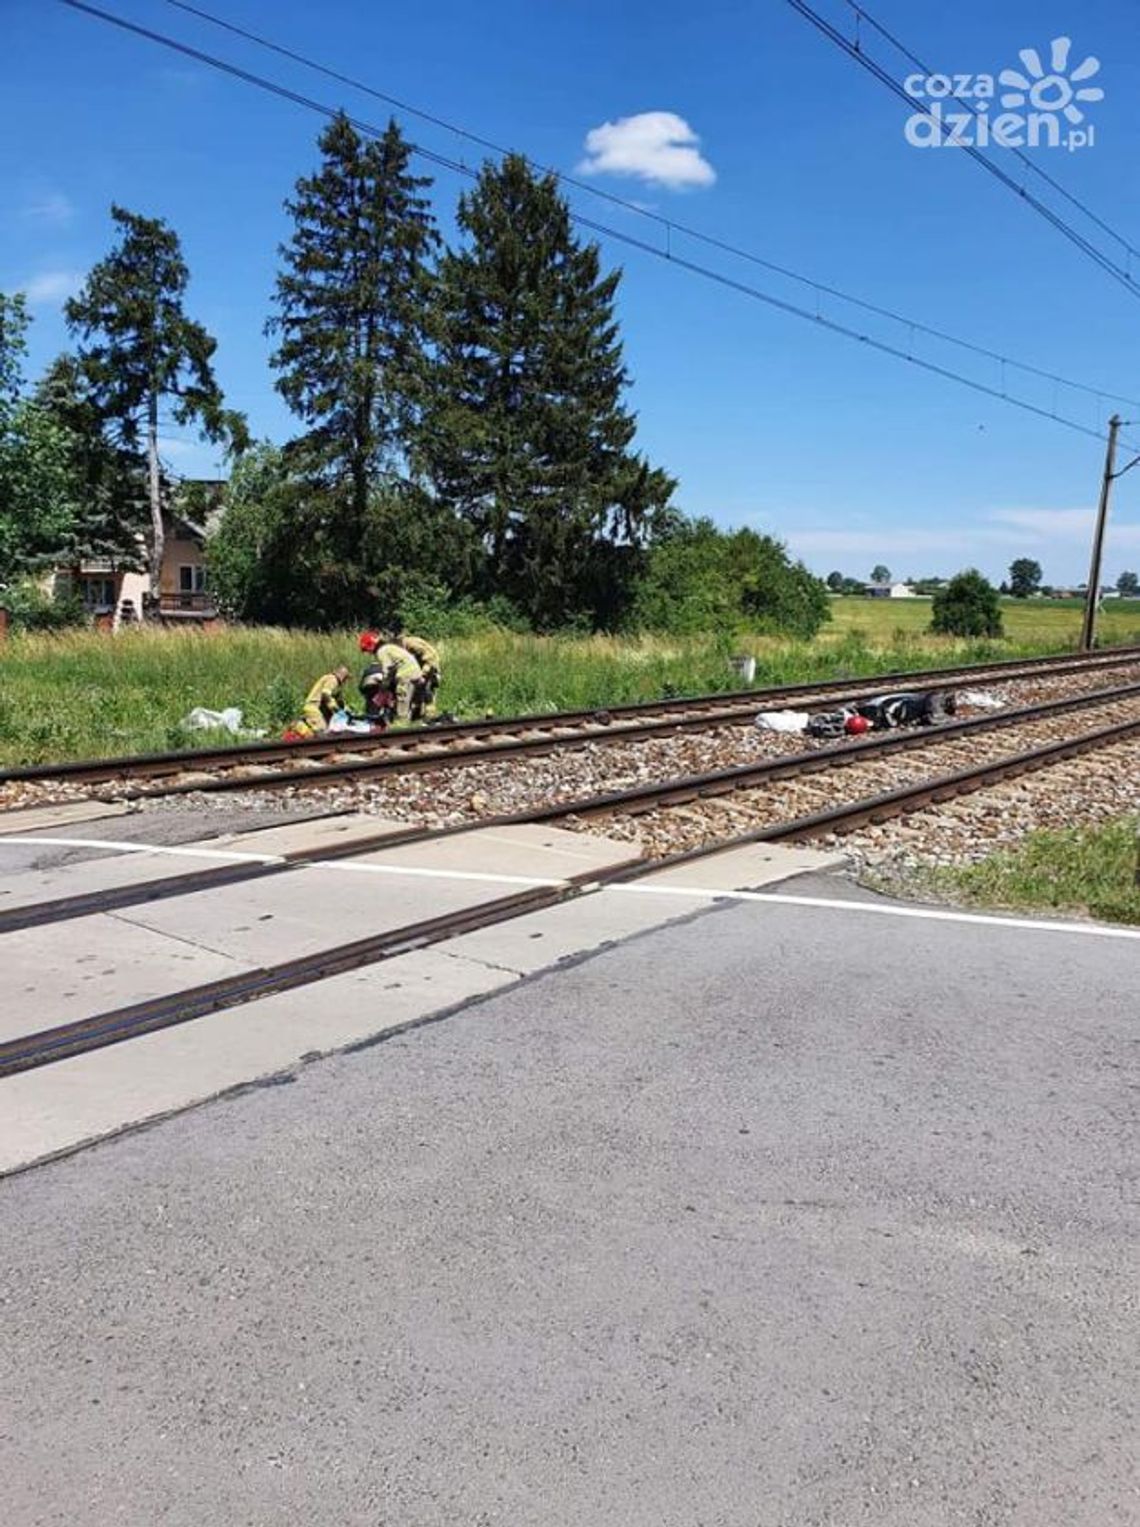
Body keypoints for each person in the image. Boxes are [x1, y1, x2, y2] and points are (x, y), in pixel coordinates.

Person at [357, 635, 422, 724]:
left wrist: (384, 685)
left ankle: (401, 724)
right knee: (410, 701)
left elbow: (387, 669)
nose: (367, 653)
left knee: (402, 698)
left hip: (406, 674)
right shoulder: (389, 647)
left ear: (370, 646)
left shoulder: (382, 651)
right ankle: (414, 720)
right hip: (415, 672)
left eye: (366, 650)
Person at [298, 665, 351, 736]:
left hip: (311, 708)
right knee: (323, 731)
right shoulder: (333, 679)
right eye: (346, 678)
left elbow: (333, 698)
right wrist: (334, 708)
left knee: (318, 732)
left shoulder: (328, 678)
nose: (345, 681)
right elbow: (325, 693)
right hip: (313, 709)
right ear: (342, 676)